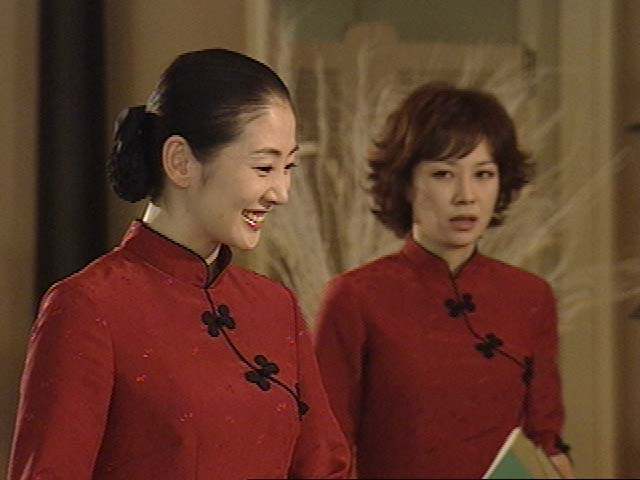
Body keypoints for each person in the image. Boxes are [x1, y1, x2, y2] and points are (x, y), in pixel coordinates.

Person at [9, 48, 350, 479]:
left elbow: (324, 464)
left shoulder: (276, 307)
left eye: (289, 167)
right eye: (264, 167)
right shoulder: (88, 307)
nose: (281, 192)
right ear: (180, 162)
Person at [314, 82, 574, 478]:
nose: (466, 196)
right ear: (405, 184)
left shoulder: (530, 297)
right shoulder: (355, 297)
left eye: (483, 174)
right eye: (443, 174)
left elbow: (545, 440)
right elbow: (324, 448)